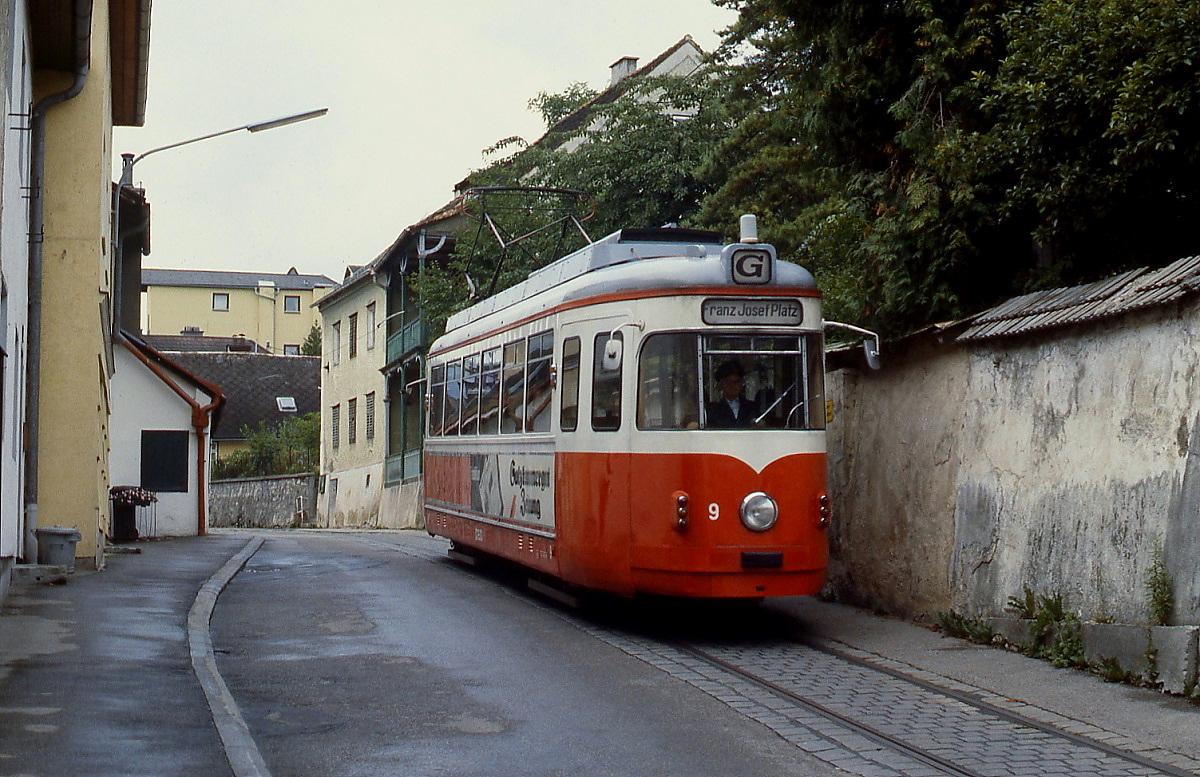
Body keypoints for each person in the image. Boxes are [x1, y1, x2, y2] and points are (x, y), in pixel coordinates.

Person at [706, 360, 759, 428]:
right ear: (721, 385)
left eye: (736, 382)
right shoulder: (712, 410)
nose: (732, 386)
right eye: (728, 382)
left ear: (741, 384)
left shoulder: (752, 408)